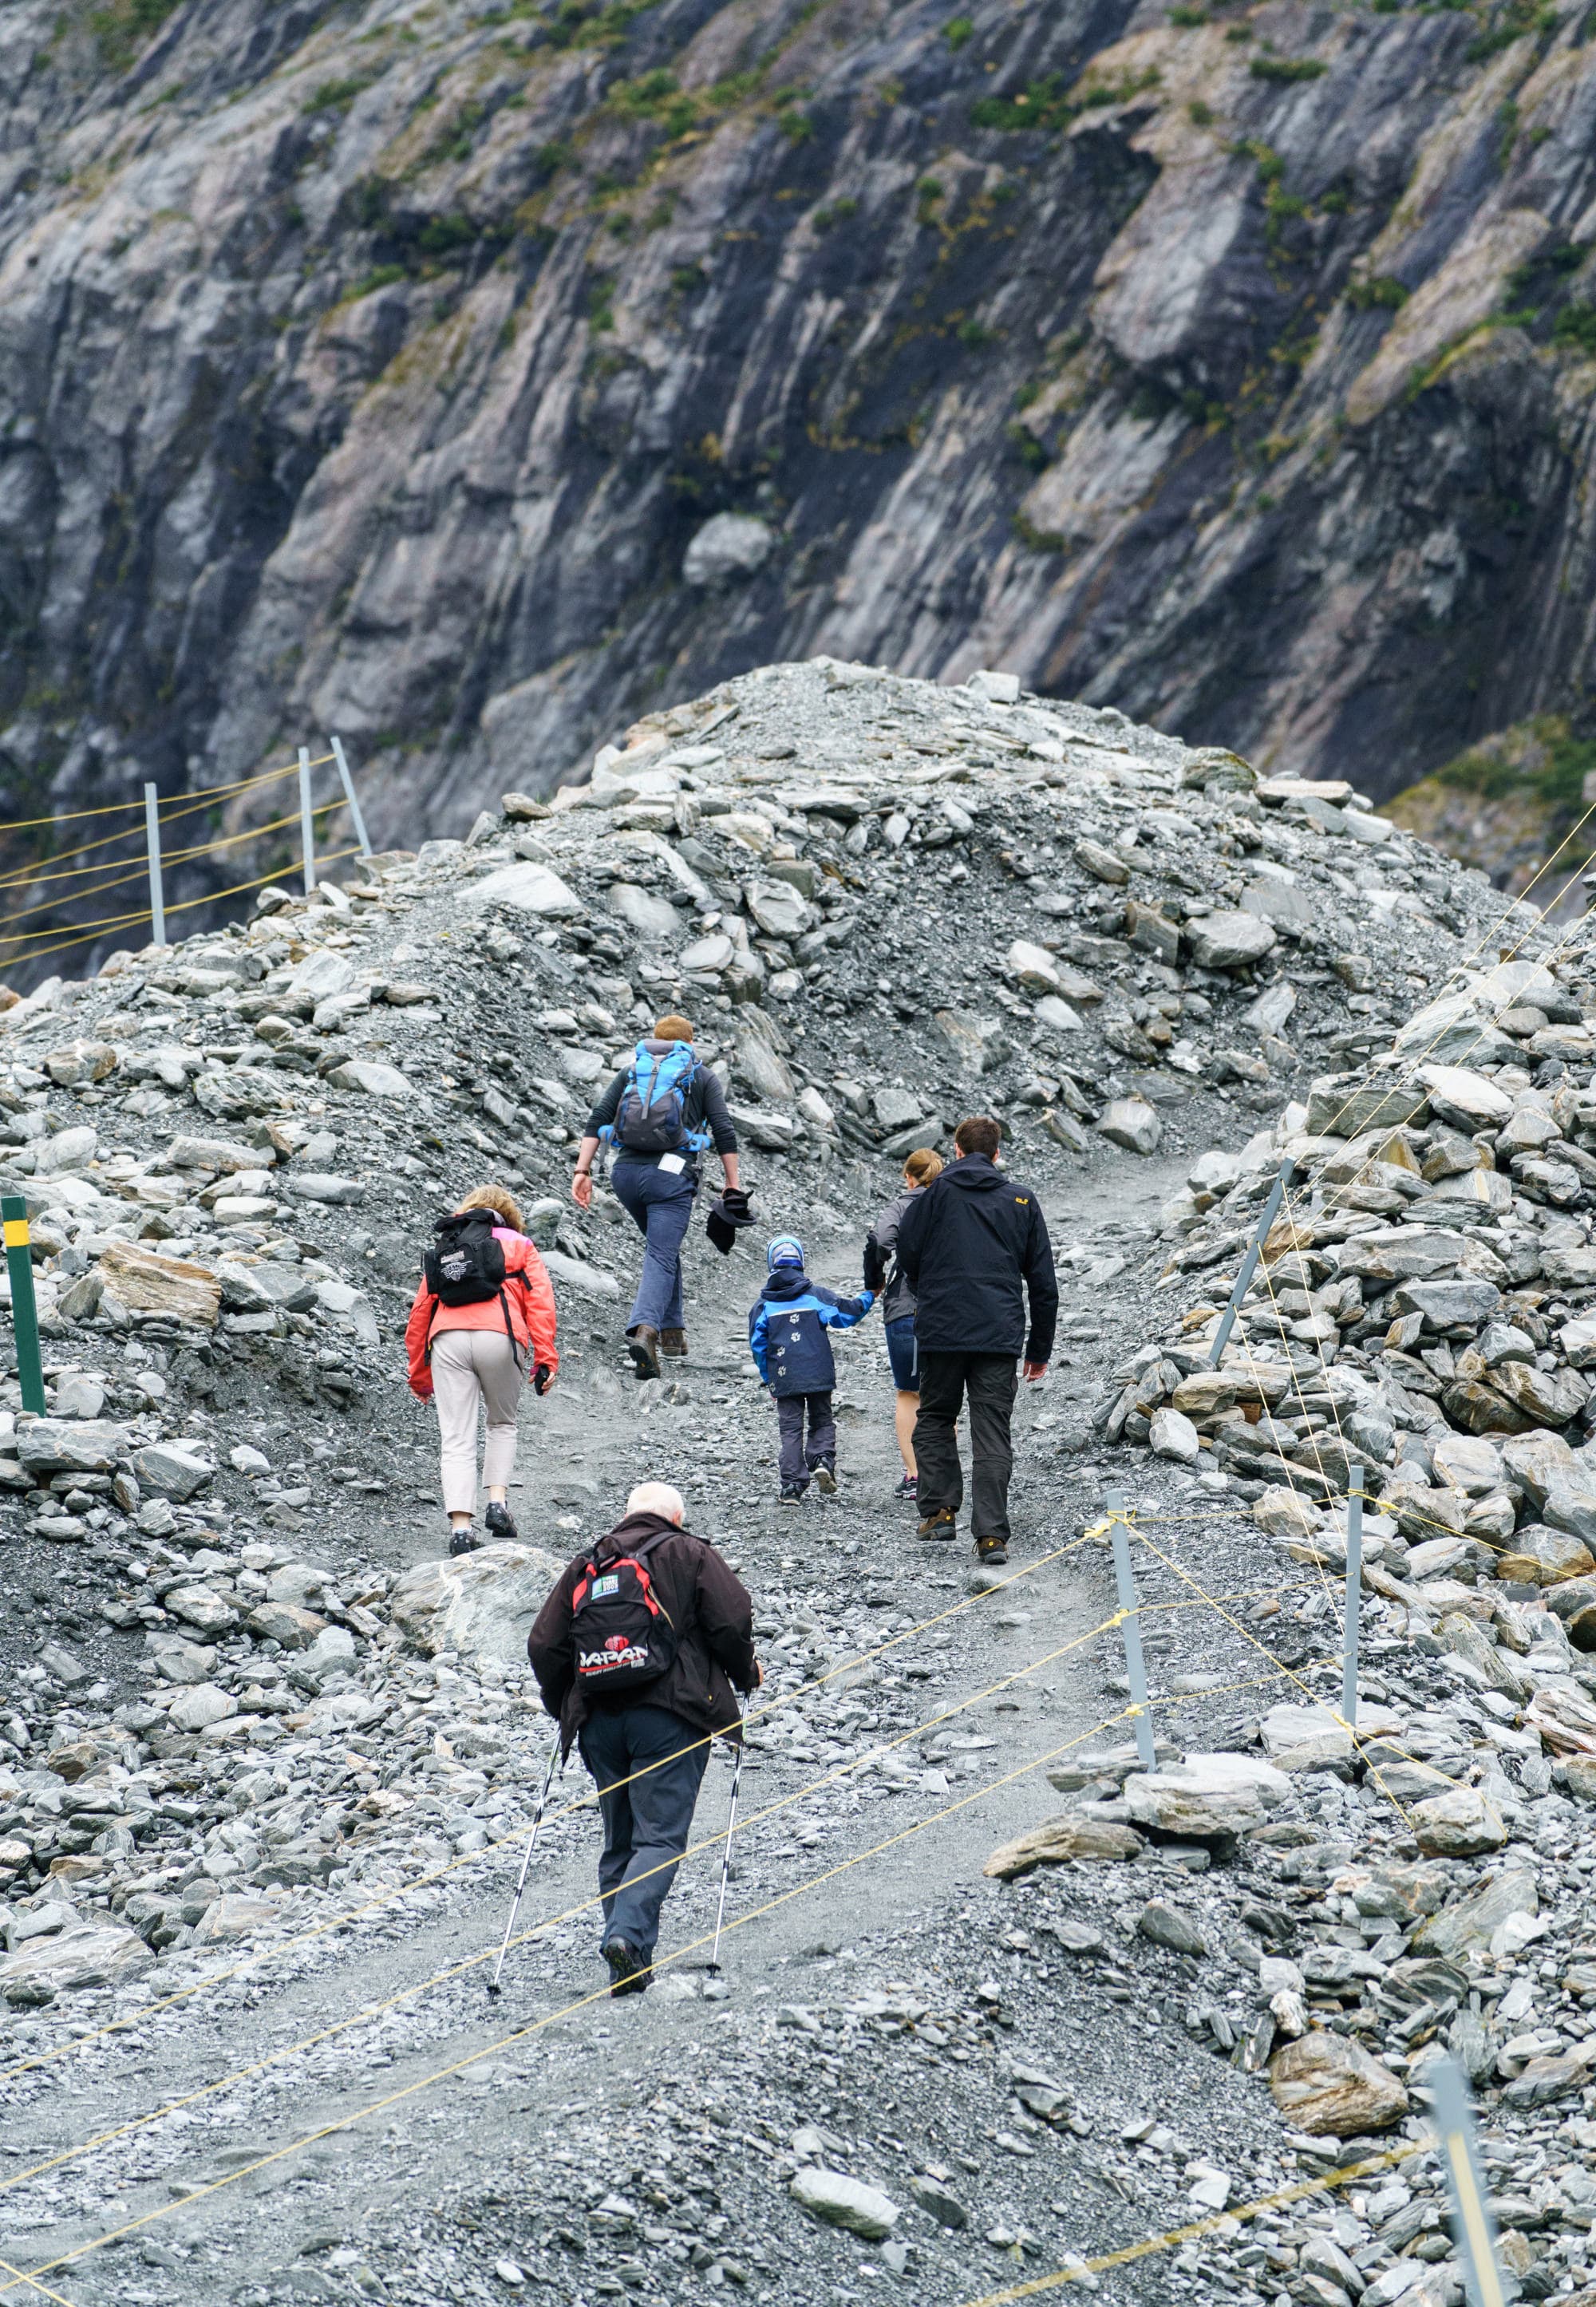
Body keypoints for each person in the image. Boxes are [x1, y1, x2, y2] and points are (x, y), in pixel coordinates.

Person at [527, 1481, 760, 1998]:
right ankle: (627, 1937)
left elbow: (544, 1643)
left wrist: (564, 1702)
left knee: (621, 1842)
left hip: (600, 1724)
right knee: (659, 1838)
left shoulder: (588, 1563)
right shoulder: (688, 1551)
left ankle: (627, 1963)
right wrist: (745, 1676)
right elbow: (733, 1618)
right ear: (674, 1517)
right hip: (670, 1714)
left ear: (629, 1514)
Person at [895, 1116, 1057, 1566]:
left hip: (942, 1330)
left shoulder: (934, 1196)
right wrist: (1038, 1349)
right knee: (992, 1430)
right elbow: (1043, 1282)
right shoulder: (1021, 1199)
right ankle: (991, 1537)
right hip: (998, 1334)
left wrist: (932, 1286)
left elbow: (907, 1252)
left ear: (958, 1151)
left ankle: (940, 1512)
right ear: (997, 1153)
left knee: (935, 1417)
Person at [572, 1013, 741, 1381]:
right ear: (689, 1043)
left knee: (662, 1246)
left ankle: (673, 1333)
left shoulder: (634, 1071)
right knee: (661, 1253)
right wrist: (732, 1183)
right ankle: (644, 1331)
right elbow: (724, 1131)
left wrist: (582, 1172)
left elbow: (598, 1118)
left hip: (625, 1175)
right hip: (670, 1180)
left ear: (655, 1040)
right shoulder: (701, 1075)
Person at [405, 1184, 559, 1557]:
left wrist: (418, 1373)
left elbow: (421, 1311)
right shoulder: (520, 1245)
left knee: (456, 1437)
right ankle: (497, 1504)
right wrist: (546, 1358)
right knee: (501, 1424)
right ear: (509, 1216)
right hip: (501, 1337)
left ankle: (460, 1529)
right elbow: (541, 1304)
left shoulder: (448, 1245)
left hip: (447, 1341)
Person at [749, 1235, 874, 1503]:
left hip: (785, 1376)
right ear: (801, 1262)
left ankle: (792, 1487)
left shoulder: (763, 1305)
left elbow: (758, 1346)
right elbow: (847, 1314)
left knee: (791, 1430)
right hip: (818, 1372)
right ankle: (822, 1461)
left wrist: (768, 1378)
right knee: (821, 1420)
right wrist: (869, 1295)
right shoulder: (816, 1295)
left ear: (771, 1264)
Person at [863, 1148, 944, 1502]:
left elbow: (880, 1240)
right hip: (949, 1309)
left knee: (908, 1392)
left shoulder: (901, 1205)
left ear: (909, 1177)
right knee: (943, 1394)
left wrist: (875, 1279)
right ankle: (942, 1473)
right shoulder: (951, 1203)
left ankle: (914, 1475)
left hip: (905, 1309)